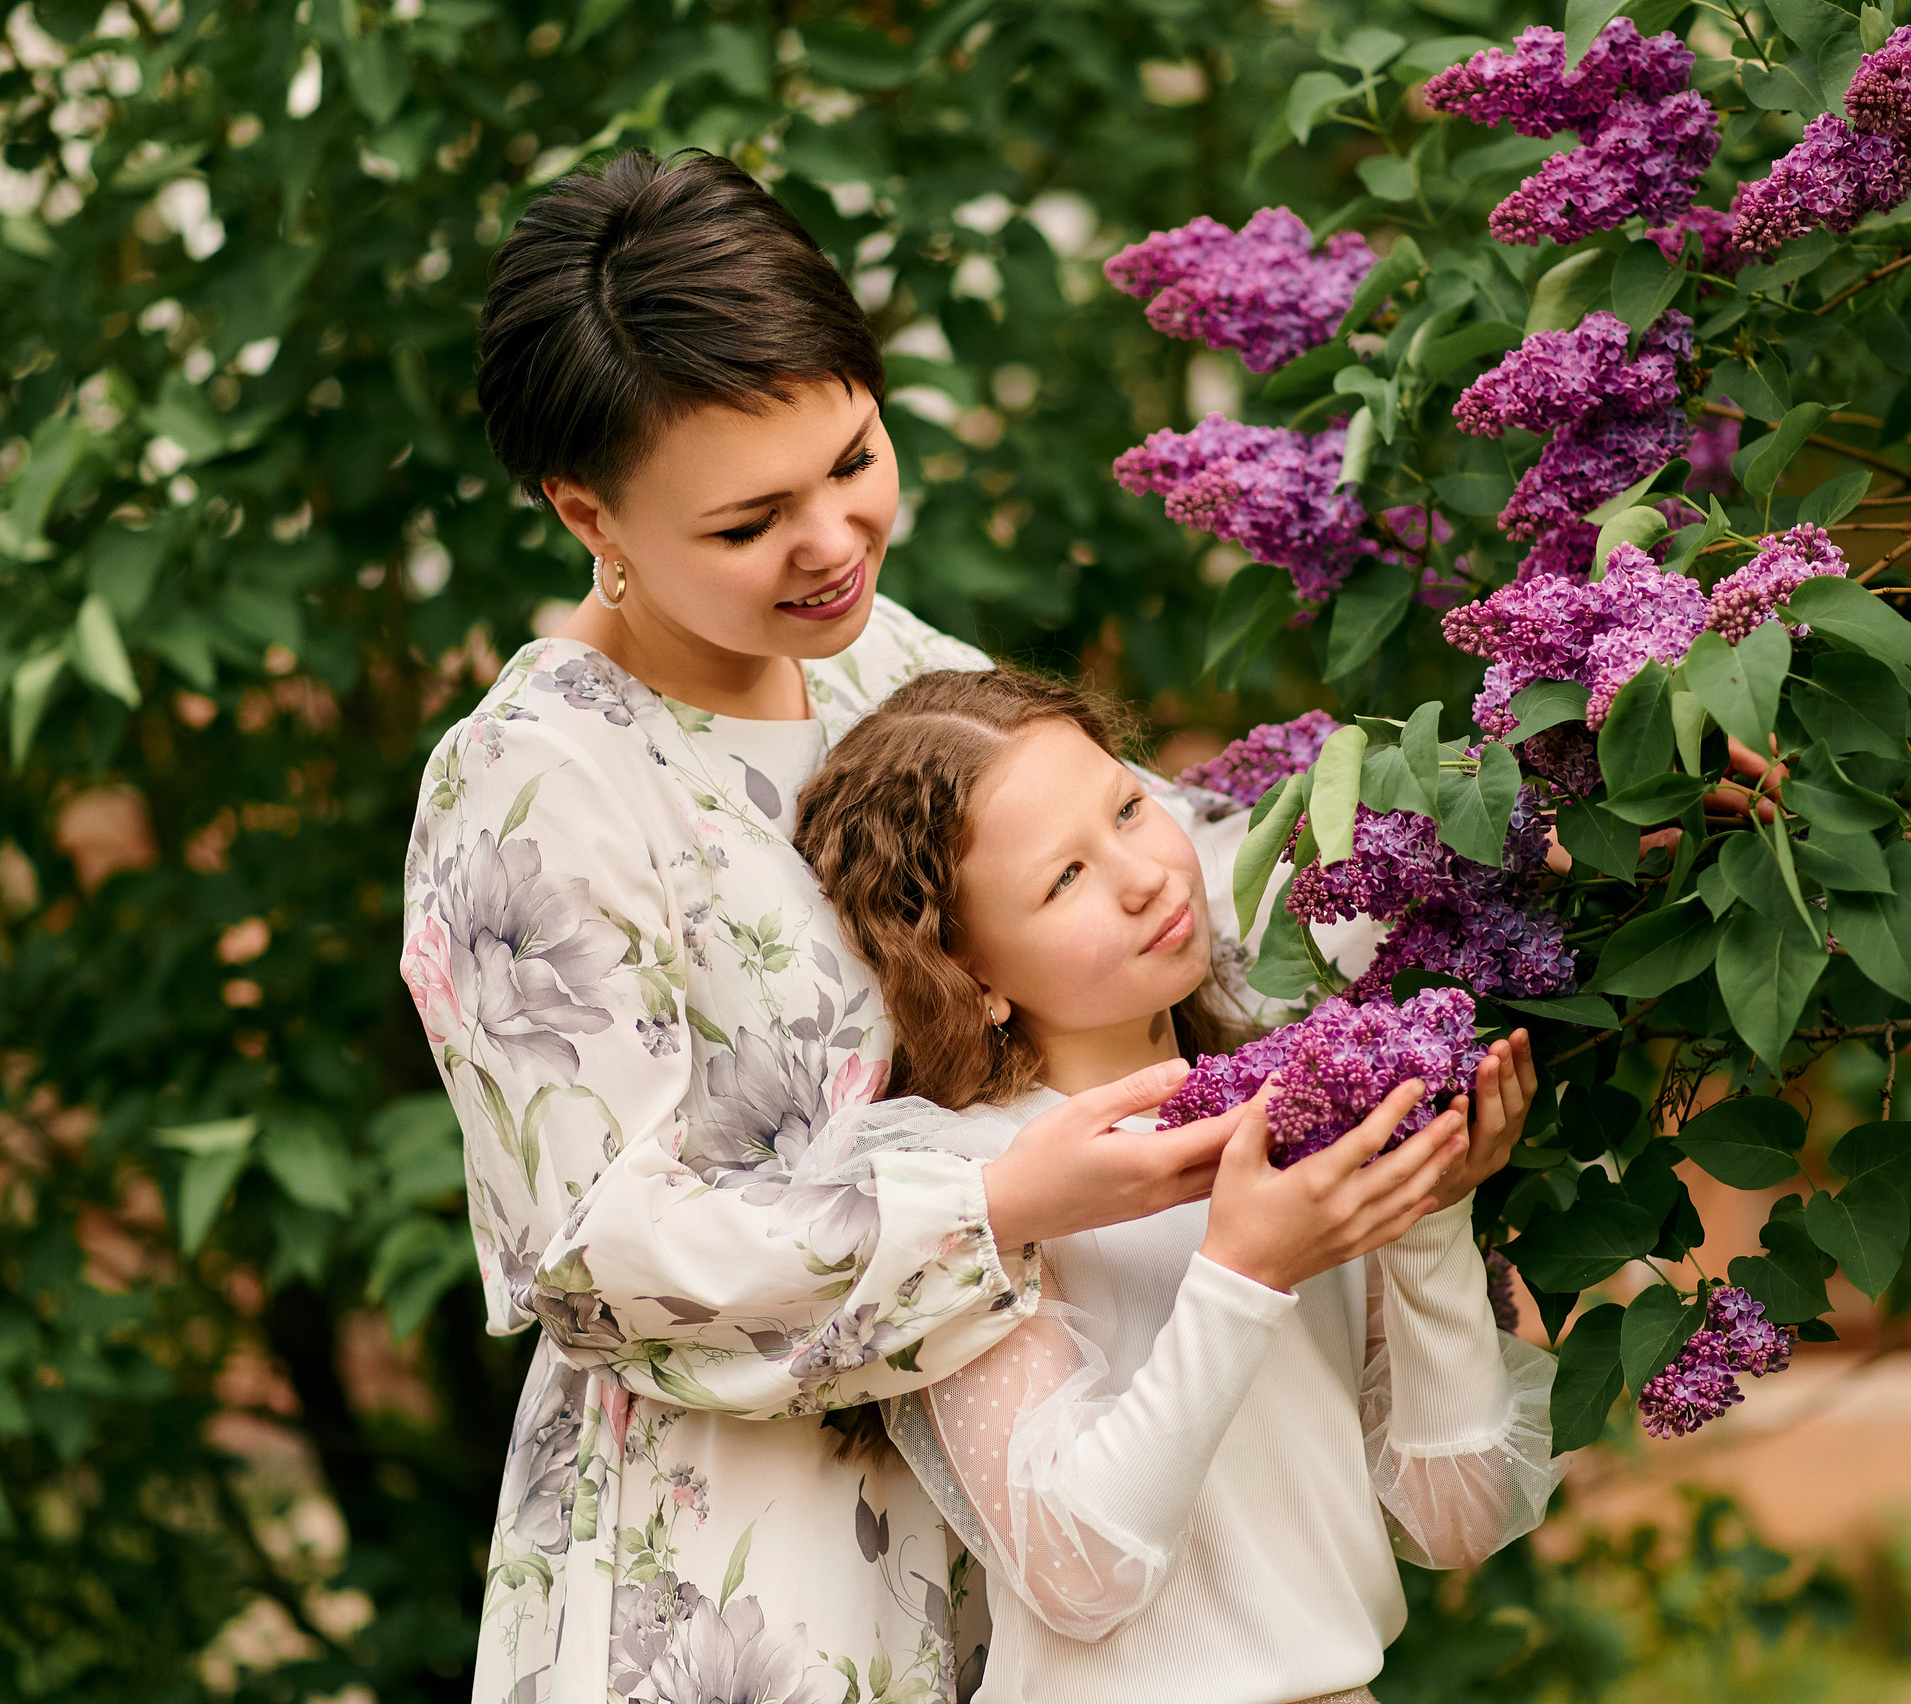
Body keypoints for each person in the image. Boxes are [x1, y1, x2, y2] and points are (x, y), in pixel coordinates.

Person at [407, 147, 1297, 1704]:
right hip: (740, 1583)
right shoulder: (534, 786)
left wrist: (1534, 819)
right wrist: (1003, 1205)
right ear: (585, 512)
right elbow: (601, 1258)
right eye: (751, 522)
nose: (831, 540)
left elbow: (1189, 871)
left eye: (856, 457)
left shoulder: (886, 665)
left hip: (1025, 1526)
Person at [792, 669, 1562, 1704]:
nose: (1147, 877)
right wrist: (1242, 1271)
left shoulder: (1297, 1105)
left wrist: (1426, 1210)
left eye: (1127, 808)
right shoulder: (975, 1184)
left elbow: (1455, 1517)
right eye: (1063, 879)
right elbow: (1077, 1572)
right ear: (968, 972)